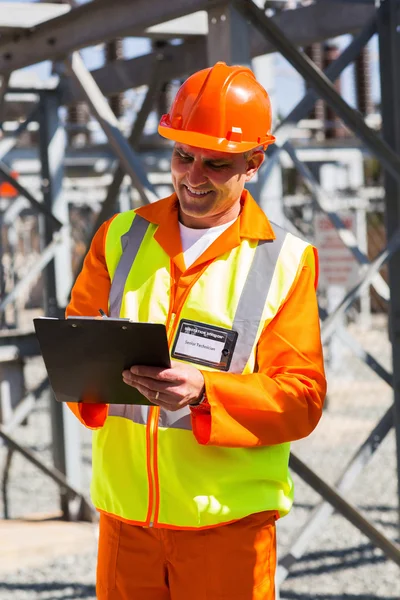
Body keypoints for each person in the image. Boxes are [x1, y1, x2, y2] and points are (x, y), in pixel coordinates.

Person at [66, 61, 326, 600]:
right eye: (182, 155)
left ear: (253, 162)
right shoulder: (119, 238)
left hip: (228, 531)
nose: (192, 175)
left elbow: (301, 399)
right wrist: (92, 387)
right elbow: (73, 358)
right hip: (126, 522)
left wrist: (208, 392)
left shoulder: (286, 260)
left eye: (216, 163)